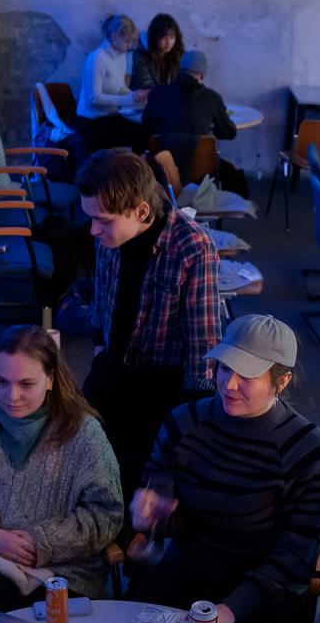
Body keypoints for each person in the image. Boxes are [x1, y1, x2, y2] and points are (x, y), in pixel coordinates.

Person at [127, 314, 320, 623]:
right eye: (224, 368)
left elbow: (295, 553)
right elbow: (160, 493)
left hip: (258, 591)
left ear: (281, 381)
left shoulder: (306, 451)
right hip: (186, 569)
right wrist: (153, 515)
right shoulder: (185, 421)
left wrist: (233, 607)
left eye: (247, 376)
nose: (228, 384)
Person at [0, 325, 123, 616]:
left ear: (50, 379)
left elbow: (105, 514)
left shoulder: (84, 434)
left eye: (26, 384)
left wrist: (40, 542)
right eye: (1, 381)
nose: (12, 395)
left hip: (64, 570)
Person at [78, 149, 220, 493]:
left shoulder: (193, 246)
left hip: (161, 383)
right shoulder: (109, 233)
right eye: (91, 218)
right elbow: (104, 296)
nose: (93, 230)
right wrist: (99, 348)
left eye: (103, 220)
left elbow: (203, 338)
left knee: (135, 475)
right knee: (88, 458)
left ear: (141, 211)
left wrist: (194, 418)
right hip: (114, 364)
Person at [141, 48, 247, 195]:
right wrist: (209, 130)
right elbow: (230, 133)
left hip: (161, 170)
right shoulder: (212, 98)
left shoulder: (158, 93)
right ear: (202, 75)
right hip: (200, 173)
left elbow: (146, 126)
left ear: (179, 70)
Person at [74, 14, 149, 153]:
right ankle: (129, 165)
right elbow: (93, 99)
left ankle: (137, 166)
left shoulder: (121, 56)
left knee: (146, 131)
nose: (129, 46)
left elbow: (119, 87)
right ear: (114, 36)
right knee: (139, 135)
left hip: (110, 117)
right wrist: (129, 99)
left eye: (131, 42)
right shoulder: (96, 58)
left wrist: (136, 96)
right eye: (127, 41)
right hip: (90, 122)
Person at [133, 12, 184, 88]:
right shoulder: (141, 55)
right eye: (163, 38)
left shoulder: (177, 55)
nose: (168, 42)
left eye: (172, 37)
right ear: (155, 37)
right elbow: (146, 86)